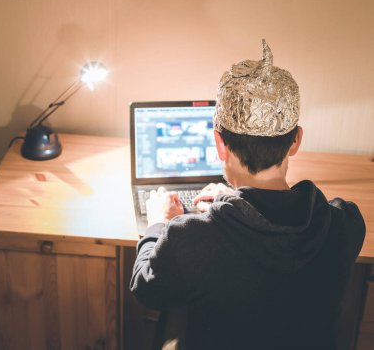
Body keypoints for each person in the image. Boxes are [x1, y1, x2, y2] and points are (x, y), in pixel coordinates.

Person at [129, 40, 365, 350]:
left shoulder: (191, 239)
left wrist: (159, 223)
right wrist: (233, 201)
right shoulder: (345, 224)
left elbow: (146, 289)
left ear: (220, 145)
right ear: (296, 141)